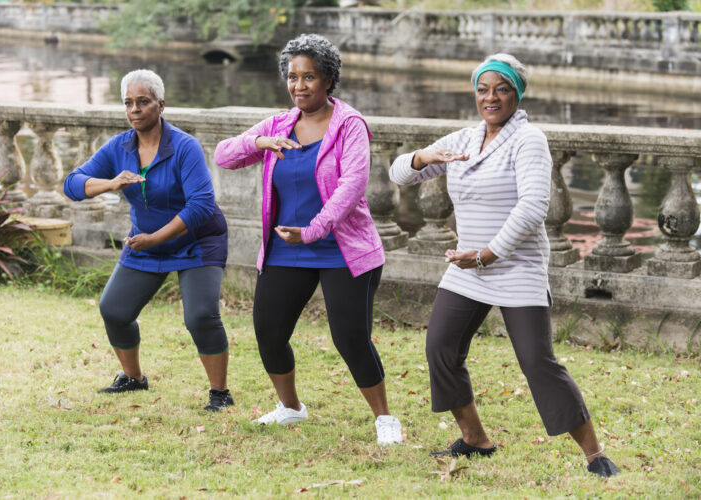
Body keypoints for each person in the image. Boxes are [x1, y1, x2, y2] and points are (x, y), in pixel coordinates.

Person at [389, 54, 619, 477]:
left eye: (501, 89)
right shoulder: (463, 140)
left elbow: (534, 207)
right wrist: (423, 157)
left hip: (514, 266)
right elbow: (398, 175)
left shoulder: (528, 139)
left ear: (517, 93)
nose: (490, 97)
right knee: (441, 348)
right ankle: (475, 438)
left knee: (537, 361)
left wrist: (488, 254)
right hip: (467, 267)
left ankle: (594, 453)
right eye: (482, 88)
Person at [214, 34, 402, 445]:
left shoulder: (349, 125)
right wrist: (258, 141)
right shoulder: (279, 124)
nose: (299, 86)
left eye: (309, 77)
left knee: (350, 337)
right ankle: (291, 408)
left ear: (329, 80)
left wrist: (313, 230)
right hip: (286, 247)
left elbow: (352, 186)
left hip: (343, 249)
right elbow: (223, 155)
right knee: (269, 330)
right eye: (293, 77)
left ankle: (385, 418)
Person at [63, 69, 234, 412]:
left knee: (200, 316)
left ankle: (220, 393)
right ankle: (133, 378)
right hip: (145, 243)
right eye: (128, 103)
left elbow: (201, 205)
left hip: (197, 242)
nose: (135, 109)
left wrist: (155, 238)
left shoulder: (185, 146)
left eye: (143, 102)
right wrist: (109, 183)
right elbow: (72, 184)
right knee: (113, 309)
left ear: (161, 104)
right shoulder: (120, 147)